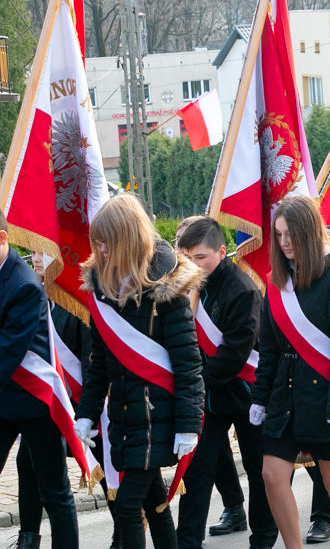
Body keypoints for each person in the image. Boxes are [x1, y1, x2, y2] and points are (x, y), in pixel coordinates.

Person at [75, 194, 205, 549]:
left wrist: (189, 425)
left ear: (127, 239)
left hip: (157, 415)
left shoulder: (167, 287)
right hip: (124, 415)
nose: (100, 251)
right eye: (96, 243)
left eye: (107, 243)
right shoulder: (101, 287)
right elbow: (98, 362)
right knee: (155, 504)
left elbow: (187, 361)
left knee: (128, 506)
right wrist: (86, 414)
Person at [250, 196, 330, 549]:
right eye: (279, 235)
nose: (284, 243)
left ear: (310, 234)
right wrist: (259, 398)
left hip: (326, 393)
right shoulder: (276, 286)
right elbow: (268, 348)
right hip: (285, 396)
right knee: (271, 474)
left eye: (291, 235)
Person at [175, 217, 277, 549]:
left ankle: (262, 539)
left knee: (259, 471)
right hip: (210, 397)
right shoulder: (183, 285)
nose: (192, 264)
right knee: (197, 468)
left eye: (200, 257)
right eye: (186, 257)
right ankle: (188, 541)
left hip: (247, 393)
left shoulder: (243, 291)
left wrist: (194, 382)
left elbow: (235, 355)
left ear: (221, 251)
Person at [16, 252, 119, 549]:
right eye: (34, 250)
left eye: (44, 250)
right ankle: (28, 536)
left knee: (106, 468)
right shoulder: (34, 291)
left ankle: (123, 531)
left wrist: (88, 409)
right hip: (51, 401)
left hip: (86, 403)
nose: (36, 257)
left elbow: (91, 361)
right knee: (27, 460)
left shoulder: (76, 297)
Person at [0, 212, 80, 549]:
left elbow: (7, 352)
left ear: (3, 239)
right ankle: (27, 538)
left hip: (36, 401)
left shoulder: (24, 285)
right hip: (4, 400)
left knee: (55, 491)